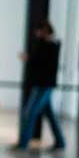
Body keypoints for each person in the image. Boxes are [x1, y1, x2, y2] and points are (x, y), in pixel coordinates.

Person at [16, 21, 65, 150]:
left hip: (44, 84)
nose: (37, 34)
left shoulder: (50, 44)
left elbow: (43, 63)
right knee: (49, 115)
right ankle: (60, 142)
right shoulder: (47, 44)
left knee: (30, 112)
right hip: (42, 84)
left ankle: (23, 143)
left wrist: (29, 59)